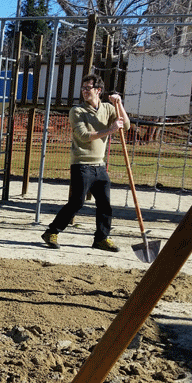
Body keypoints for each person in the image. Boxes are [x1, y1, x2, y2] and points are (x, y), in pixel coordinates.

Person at [41, 74, 130, 252]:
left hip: (99, 166)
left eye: (87, 88)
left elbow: (125, 125)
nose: (84, 92)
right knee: (77, 202)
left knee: (105, 204)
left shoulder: (107, 108)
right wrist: (110, 130)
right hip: (81, 164)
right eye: (83, 88)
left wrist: (118, 105)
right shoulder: (77, 111)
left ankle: (101, 239)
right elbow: (84, 136)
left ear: (98, 90)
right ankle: (51, 232)